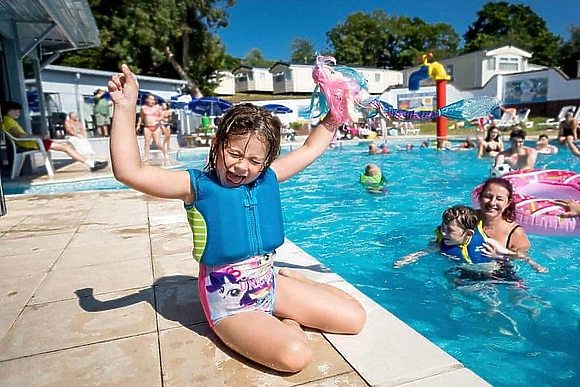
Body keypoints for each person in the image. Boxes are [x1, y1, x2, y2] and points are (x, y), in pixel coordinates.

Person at [107, 64, 366, 373]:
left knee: (355, 319)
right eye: (234, 153)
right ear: (217, 146)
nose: (242, 167)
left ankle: (292, 287)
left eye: (255, 160)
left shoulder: (268, 178)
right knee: (295, 355)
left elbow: (312, 146)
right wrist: (124, 108)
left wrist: (338, 107)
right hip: (228, 304)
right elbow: (129, 171)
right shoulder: (195, 186)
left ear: (266, 162)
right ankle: (284, 324)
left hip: (269, 282)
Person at [1, 101, 107, 172]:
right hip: (33, 143)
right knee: (67, 147)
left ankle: (91, 163)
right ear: (10, 110)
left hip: (34, 142)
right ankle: (92, 164)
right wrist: (40, 136)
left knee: (67, 146)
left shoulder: (7, 121)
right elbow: (19, 135)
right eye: (17, 111)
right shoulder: (8, 121)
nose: (19, 113)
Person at [475, 177, 546, 273]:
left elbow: (522, 257)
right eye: (488, 196)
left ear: (508, 203)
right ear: (480, 198)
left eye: (499, 199)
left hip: (500, 276)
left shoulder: (514, 232)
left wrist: (501, 254)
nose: (492, 203)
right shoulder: (466, 219)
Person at [135, 94, 169, 164]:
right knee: (147, 143)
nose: (152, 101)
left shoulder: (157, 108)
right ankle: (146, 157)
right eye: (150, 99)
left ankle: (165, 152)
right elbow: (141, 117)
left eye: (153, 100)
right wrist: (138, 125)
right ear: (147, 100)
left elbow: (162, 115)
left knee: (157, 143)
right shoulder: (143, 108)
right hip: (147, 127)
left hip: (156, 127)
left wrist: (158, 119)